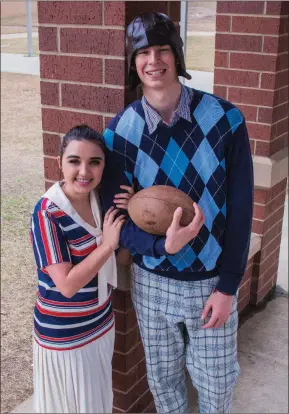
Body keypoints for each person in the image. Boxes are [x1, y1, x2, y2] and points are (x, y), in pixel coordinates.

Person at [100, 12, 254, 414]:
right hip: (151, 282)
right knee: (164, 382)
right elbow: (115, 220)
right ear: (133, 63)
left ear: (177, 54)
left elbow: (241, 209)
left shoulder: (226, 120)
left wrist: (228, 286)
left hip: (211, 282)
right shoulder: (120, 132)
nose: (154, 60)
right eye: (143, 52)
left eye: (162, 49)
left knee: (217, 385)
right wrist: (158, 244)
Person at [30, 125, 134, 413]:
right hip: (64, 336)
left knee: (97, 405)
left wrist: (136, 213)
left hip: (100, 323)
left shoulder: (99, 201)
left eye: (94, 162)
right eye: (74, 161)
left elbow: (121, 260)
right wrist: (107, 245)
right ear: (59, 162)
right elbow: (66, 285)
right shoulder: (46, 214)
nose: (84, 171)